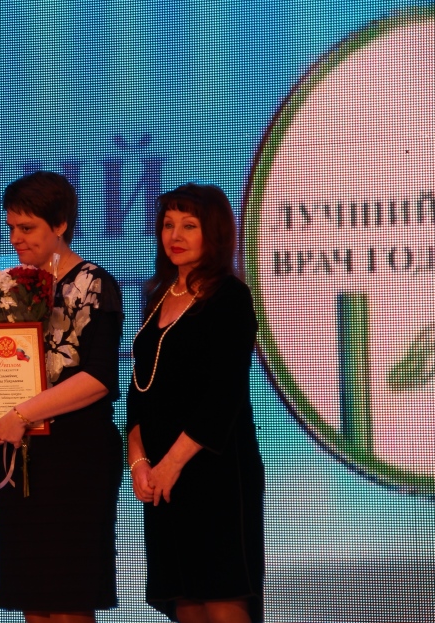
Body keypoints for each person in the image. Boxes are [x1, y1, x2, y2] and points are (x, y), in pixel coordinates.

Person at [0, 170, 124, 623]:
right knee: (33, 601)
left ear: (61, 224)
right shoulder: (5, 288)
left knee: (68, 599)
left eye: (27, 227)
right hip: (20, 457)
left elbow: (99, 378)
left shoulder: (94, 284)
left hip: (77, 457)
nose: (15, 238)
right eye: (11, 227)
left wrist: (21, 413)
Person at [126, 183, 265, 623]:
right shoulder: (157, 297)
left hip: (214, 470)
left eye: (189, 225)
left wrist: (171, 464)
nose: (175, 235)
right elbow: (139, 390)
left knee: (221, 597)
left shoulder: (230, 297)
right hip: (161, 477)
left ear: (215, 233)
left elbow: (224, 395)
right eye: (168, 224)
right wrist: (139, 463)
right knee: (183, 599)